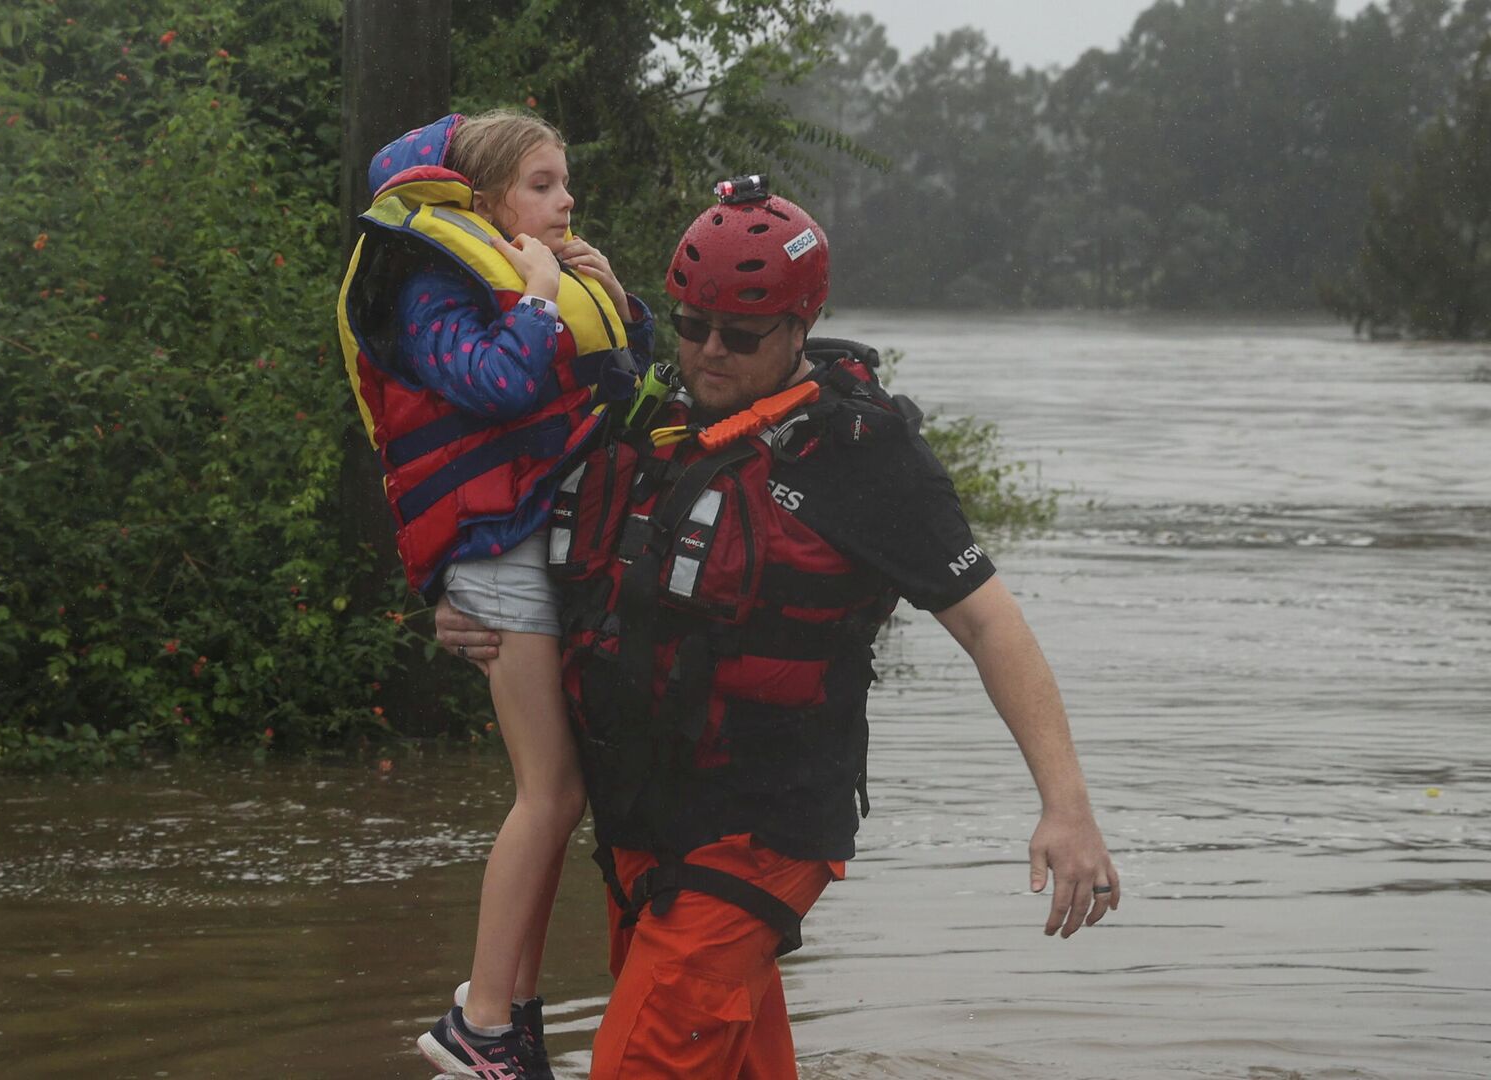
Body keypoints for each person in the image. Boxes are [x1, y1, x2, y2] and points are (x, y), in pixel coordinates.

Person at [435, 178, 1120, 1079]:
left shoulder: (865, 458)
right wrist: (466, 605)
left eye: (741, 335)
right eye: (691, 325)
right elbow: (537, 541)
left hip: (758, 834)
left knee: (637, 1062)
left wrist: (1066, 806)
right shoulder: (647, 416)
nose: (708, 352)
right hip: (642, 828)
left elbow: (991, 623)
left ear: (802, 325)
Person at [337, 109, 655, 1080]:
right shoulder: (432, 284)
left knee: (561, 797)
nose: (566, 202)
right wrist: (544, 297)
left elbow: (627, 388)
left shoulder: (526, 274)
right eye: (545, 185)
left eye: (566, 185)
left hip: (532, 542)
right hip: (494, 557)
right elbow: (500, 383)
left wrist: (613, 300)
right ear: (482, 201)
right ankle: (478, 1024)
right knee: (547, 793)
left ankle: (512, 1016)